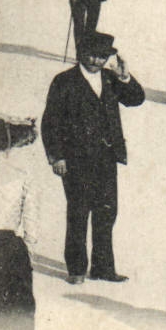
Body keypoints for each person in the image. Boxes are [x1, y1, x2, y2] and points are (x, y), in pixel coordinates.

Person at [40, 32, 145, 284]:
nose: (97, 61)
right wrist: (57, 156)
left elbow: (136, 99)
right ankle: (76, 269)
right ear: (80, 53)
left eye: (102, 56)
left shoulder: (110, 79)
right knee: (78, 213)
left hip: (106, 158)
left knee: (106, 213)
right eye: (92, 55)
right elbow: (50, 122)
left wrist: (125, 77)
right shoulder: (64, 81)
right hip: (76, 161)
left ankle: (103, 268)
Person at [0, 115, 40, 330]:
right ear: (8, 145)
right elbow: (31, 217)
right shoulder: (19, 174)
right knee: (16, 314)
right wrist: (28, 246)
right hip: (9, 246)